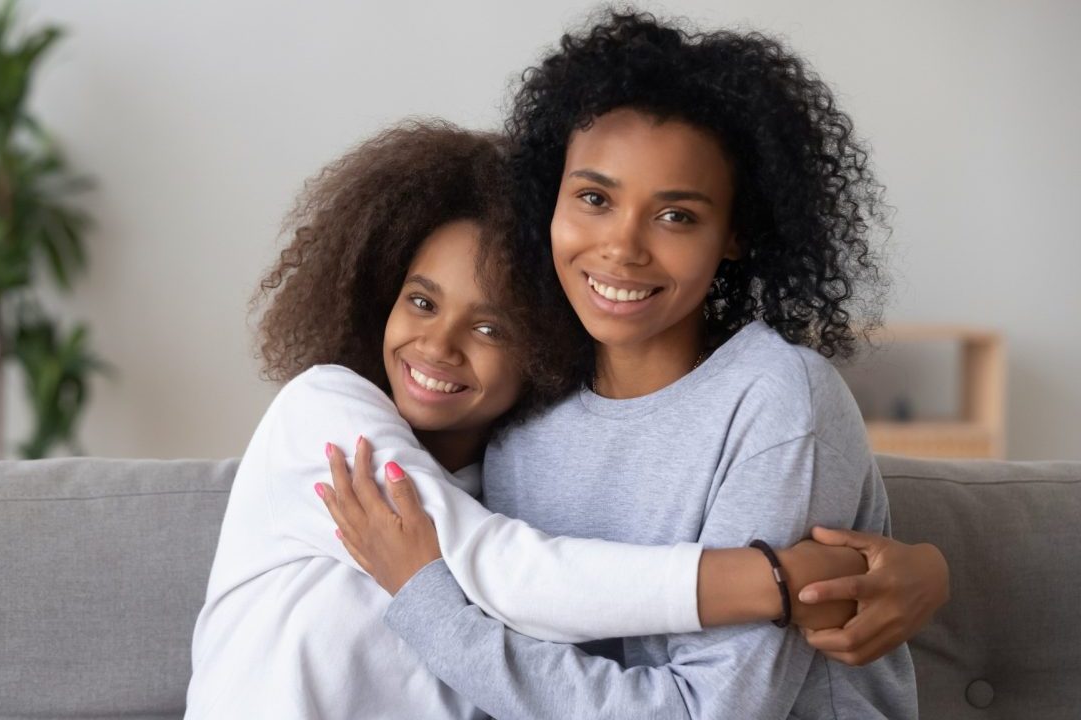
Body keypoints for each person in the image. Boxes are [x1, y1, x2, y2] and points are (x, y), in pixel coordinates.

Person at [186, 122, 937, 718]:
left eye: (491, 327)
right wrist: (769, 578)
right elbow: (510, 582)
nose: (620, 247)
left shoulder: (767, 399)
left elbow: (509, 614)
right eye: (420, 301)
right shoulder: (336, 417)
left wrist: (930, 572)